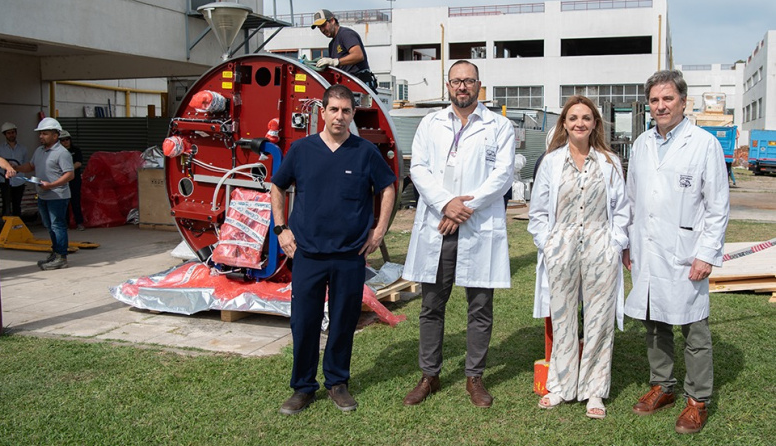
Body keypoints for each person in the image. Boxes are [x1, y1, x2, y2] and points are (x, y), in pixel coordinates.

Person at [270, 84, 396, 415]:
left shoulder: (365, 152)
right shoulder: (301, 150)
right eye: (334, 110)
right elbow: (277, 185)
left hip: (349, 255)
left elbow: (387, 187)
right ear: (322, 112)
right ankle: (303, 388)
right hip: (308, 253)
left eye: (346, 111)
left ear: (353, 114)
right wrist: (282, 228)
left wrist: (380, 229)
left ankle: (338, 383)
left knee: (343, 320)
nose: (339, 116)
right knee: (304, 322)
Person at [402, 60, 515, 408]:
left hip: (477, 225)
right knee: (432, 305)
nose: (462, 86)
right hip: (439, 224)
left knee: (480, 306)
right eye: (456, 81)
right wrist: (445, 203)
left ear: (479, 85)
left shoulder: (499, 125)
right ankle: (429, 376)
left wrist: (465, 208)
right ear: (447, 85)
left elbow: (504, 173)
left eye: (468, 81)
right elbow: (418, 168)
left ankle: (474, 377)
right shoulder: (430, 123)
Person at [623, 70, 729, 434]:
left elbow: (717, 207)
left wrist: (707, 253)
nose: (661, 105)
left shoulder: (704, 144)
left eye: (668, 98)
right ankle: (663, 385)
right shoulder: (641, 144)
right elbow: (632, 199)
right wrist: (627, 243)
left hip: (686, 251)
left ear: (684, 102)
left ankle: (697, 400)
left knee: (693, 328)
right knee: (654, 322)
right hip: (647, 248)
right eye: (654, 100)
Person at [527, 95, 630, 419]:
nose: (579, 123)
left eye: (586, 117)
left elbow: (623, 210)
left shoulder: (609, 162)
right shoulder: (552, 162)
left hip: (600, 246)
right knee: (563, 317)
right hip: (563, 247)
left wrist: (615, 243)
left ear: (595, 123)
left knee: (600, 320)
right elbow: (539, 211)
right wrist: (549, 243)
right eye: (573, 118)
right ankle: (561, 385)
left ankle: (594, 390)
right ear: (565, 124)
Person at [14, 117, 75, 270]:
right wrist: (16, 168)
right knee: (49, 226)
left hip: (57, 196)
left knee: (57, 226)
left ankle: (61, 257)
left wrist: (51, 185)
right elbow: (31, 165)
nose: (41, 136)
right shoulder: (39, 151)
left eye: (45, 133)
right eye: (40, 134)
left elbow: (70, 174)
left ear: (55, 135)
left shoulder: (62, 153)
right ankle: (55, 253)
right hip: (43, 195)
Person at [311, 9, 379, 91]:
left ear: (332, 21)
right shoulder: (332, 45)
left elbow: (358, 55)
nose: (322, 30)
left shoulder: (346, 34)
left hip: (359, 84)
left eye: (323, 25)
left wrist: (335, 61)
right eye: (319, 28)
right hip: (346, 86)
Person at [0, 122, 29, 219]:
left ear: (16, 133)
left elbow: (26, 164)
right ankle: (5, 226)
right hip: (4, 181)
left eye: (13, 132)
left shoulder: (23, 149)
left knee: (17, 205)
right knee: (6, 205)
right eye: (9, 133)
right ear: (5, 135)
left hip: (19, 180)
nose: (11, 135)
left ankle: (17, 226)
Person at [59, 130, 85, 230]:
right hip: (62, 180)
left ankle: (79, 222)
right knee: (63, 202)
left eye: (67, 139)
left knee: (75, 201)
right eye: (62, 140)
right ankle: (65, 223)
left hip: (74, 180)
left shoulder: (76, 150)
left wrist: (68, 170)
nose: (65, 142)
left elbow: (78, 163)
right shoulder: (58, 152)